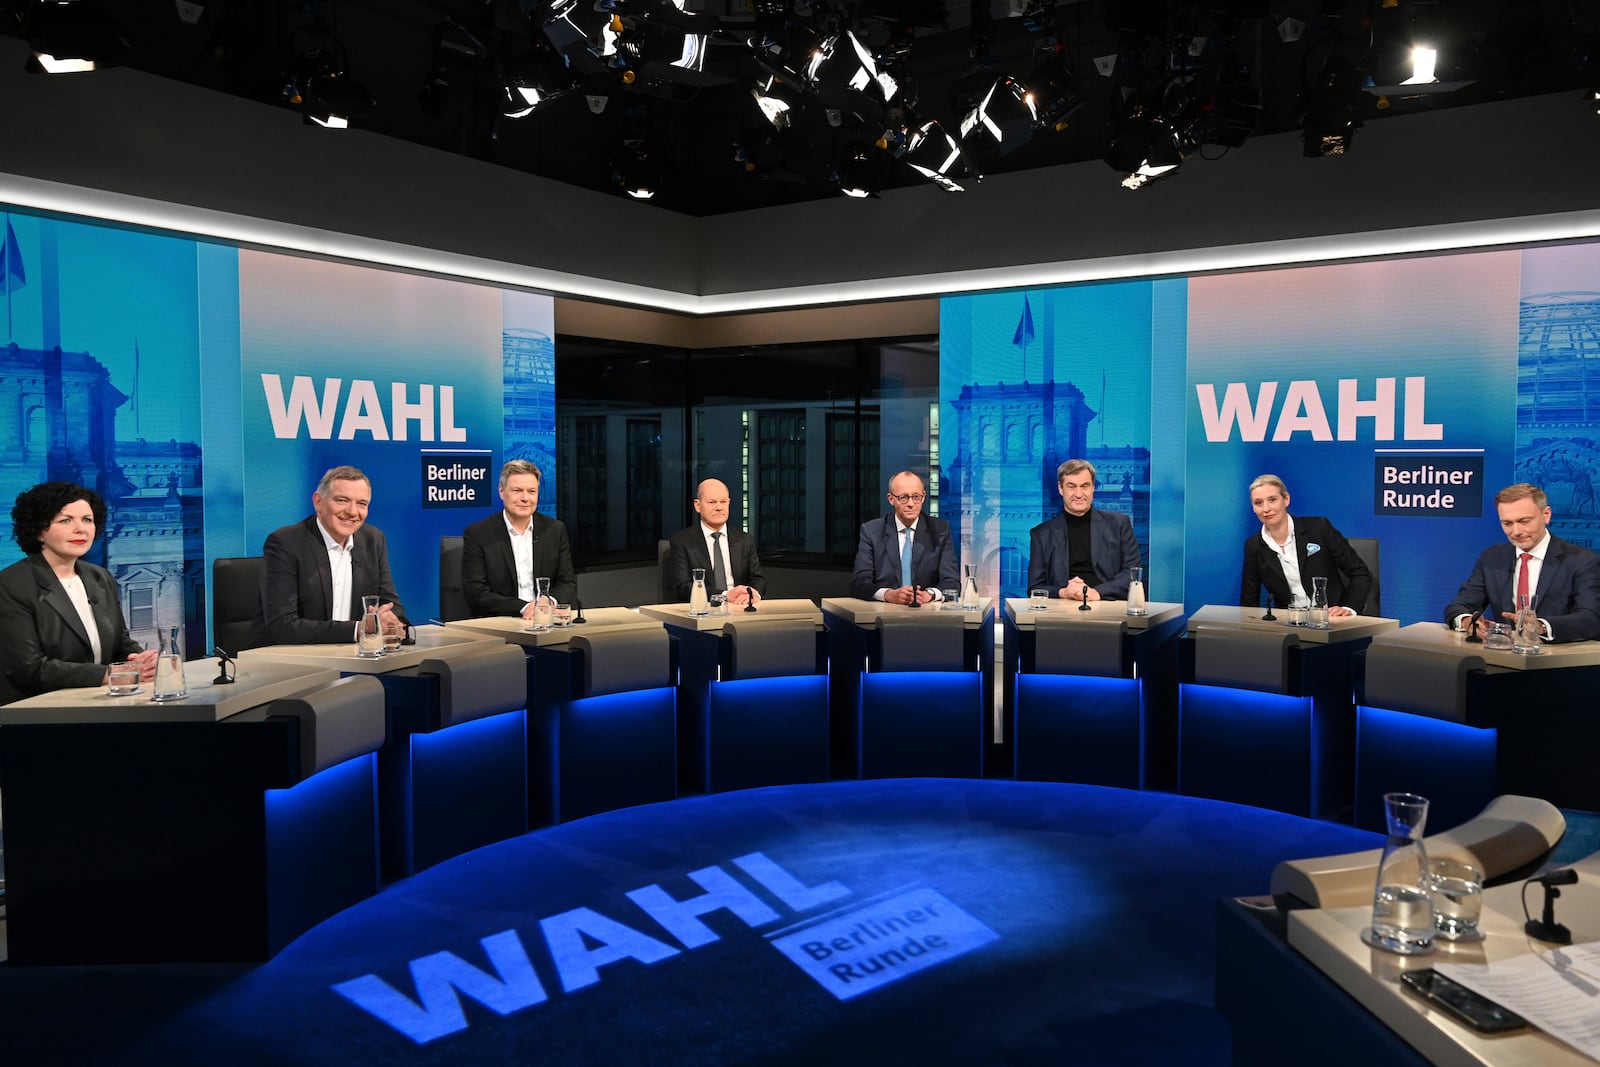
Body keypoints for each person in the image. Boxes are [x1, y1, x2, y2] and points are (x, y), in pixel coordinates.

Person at [0, 482, 158, 703]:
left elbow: (119, 641)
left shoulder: (100, 577)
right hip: (36, 711)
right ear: (38, 531)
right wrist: (110, 675)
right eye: (65, 520)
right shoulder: (11, 584)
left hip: (99, 701)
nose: (81, 529)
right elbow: (27, 668)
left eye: (87, 520)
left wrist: (139, 659)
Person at [243, 465, 408, 648]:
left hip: (350, 658)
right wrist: (358, 629)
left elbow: (391, 605)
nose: (353, 512)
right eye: (342, 500)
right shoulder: (286, 543)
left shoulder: (373, 540)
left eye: (362, 504)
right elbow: (282, 626)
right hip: (287, 662)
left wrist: (391, 622)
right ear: (318, 502)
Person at [1445, 482, 1600, 643]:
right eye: (1507, 523)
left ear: (1546, 515)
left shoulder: (1583, 561)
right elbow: (1459, 606)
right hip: (1502, 658)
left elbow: (1592, 618)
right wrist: (1466, 620)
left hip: (1559, 661)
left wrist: (1541, 626)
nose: (1516, 531)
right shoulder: (1492, 557)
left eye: (1524, 521)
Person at [1239, 473, 1372, 617]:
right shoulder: (1253, 545)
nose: (1266, 509)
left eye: (1272, 500)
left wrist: (1349, 608)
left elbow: (1359, 572)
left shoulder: (1319, 528)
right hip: (1287, 624)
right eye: (1258, 503)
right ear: (1253, 507)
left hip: (1331, 618)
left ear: (1286, 499)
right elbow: (1249, 601)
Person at [461, 459, 577, 619]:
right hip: (502, 621)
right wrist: (524, 607)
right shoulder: (479, 534)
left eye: (532, 491)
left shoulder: (555, 530)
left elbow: (567, 583)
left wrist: (549, 601)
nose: (525, 498)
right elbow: (476, 593)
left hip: (547, 619)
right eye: (517, 490)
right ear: (501, 492)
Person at [1027, 459, 1141, 601]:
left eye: (1085, 486)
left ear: (1093, 487)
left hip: (1106, 605)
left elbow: (1132, 574)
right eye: (1071, 486)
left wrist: (1096, 593)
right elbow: (1035, 587)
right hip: (1061, 610)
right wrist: (1064, 592)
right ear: (1060, 488)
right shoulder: (1041, 534)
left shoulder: (1119, 524)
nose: (1079, 494)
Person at [851, 471, 959, 605]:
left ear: (923, 497)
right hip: (885, 612)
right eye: (903, 498)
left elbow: (952, 581)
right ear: (891, 499)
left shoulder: (940, 530)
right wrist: (888, 594)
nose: (911, 504)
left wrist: (929, 594)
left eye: (916, 497)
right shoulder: (872, 531)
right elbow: (860, 582)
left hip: (927, 614)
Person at [666, 478, 764, 605]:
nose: (719, 507)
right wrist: (724, 596)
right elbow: (682, 588)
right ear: (697, 505)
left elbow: (758, 579)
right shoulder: (682, 541)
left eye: (723, 502)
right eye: (712, 502)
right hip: (703, 609)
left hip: (740, 607)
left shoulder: (744, 540)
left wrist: (753, 594)